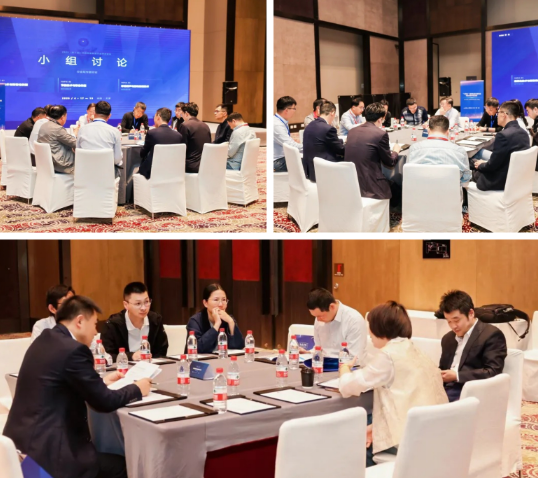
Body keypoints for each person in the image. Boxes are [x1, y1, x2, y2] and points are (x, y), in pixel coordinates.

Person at [3, 295, 151, 478]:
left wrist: (101, 382)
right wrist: (137, 388)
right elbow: (104, 402)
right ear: (80, 321)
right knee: (123, 466)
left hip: (20, 452)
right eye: (95, 324)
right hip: (50, 458)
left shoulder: (45, 339)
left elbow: (59, 382)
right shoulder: (74, 350)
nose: (96, 332)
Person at [339, 301, 447, 467]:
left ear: (380, 327)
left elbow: (348, 387)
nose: (369, 333)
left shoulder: (388, 356)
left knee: (352, 442)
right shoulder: (415, 350)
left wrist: (344, 368)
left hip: (407, 442)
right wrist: (376, 427)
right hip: (433, 435)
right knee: (366, 432)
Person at [438, 290, 507, 402]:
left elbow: (493, 371)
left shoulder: (491, 335)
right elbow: (443, 368)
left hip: (472, 392)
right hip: (445, 389)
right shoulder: (448, 338)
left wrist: (457, 376)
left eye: (456, 320)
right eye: (449, 321)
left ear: (471, 313)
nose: (453, 326)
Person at [344, 102, 401, 200]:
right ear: (380, 119)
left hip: (351, 182)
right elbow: (390, 162)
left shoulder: (352, 131)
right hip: (370, 186)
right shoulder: (380, 134)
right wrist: (396, 151)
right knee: (398, 189)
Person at [101, 282, 168, 361]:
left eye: (146, 302)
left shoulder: (155, 320)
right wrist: (131, 356)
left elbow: (162, 350)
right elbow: (106, 355)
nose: (143, 308)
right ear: (126, 305)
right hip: (123, 367)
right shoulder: (113, 325)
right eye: (138, 303)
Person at [472, 100, 531, 191]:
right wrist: (485, 163)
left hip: (500, 180)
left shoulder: (503, 135)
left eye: (498, 112)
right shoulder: (523, 133)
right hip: (517, 178)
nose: (497, 115)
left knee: (471, 165)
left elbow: (492, 166)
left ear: (504, 115)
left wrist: (481, 165)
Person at [304, 287, 367, 365]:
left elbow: (354, 359)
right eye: (315, 316)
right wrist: (308, 352)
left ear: (332, 307)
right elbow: (319, 348)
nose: (318, 320)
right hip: (322, 365)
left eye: (320, 316)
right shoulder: (320, 318)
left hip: (348, 368)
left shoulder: (354, 320)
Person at [407, 115, 471, 184]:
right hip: (449, 190)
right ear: (448, 132)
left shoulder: (414, 149)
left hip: (419, 189)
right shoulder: (460, 151)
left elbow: (408, 173)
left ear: (428, 130)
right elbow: (466, 177)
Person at [185, 283, 244, 354]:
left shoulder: (228, 319)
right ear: (205, 303)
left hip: (222, 359)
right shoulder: (195, 321)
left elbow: (239, 347)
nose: (220, 304)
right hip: (198, 360)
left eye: (224, 300)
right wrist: (217, 324)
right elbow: (198, 348)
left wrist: (231, 322)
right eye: (216, 300)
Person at [76, 101, 123, 178]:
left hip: (86, 174)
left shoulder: (82, 130)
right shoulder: (114, 132)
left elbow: (78, 152)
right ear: (109, 116)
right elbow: (117, 159)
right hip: (107, 175)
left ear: (94, 113)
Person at [302, 100, 345, 182]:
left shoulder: (310, 125)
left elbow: (324, 140)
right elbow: (340, 149)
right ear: (332, 112)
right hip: (322, 169)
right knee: (351, 159)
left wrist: (340, 141)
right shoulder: (328, 129)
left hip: (310, 170)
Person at [138, 107, 183, 179]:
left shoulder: (151, 133)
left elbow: (142, 154)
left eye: (154, 116)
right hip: (172, 171)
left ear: (158, 117)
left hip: (153, 172)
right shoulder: (178, 136)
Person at [37, 105, 77, 174]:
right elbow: (75, 143)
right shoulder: (58, 129)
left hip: (47, 162)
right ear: (62, 117)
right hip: (60, 165)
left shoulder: (44, 125)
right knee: (84, 157)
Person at [178, 102, 212, 173]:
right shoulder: (205, 125)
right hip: (205, 164)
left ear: (186, 113)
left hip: (190, 165)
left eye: (182, 114)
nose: (182, 116)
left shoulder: (185, 125)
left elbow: (181, 148)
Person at [274, 96, 303, 173]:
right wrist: (308, 148)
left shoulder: (280, 121)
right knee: (308, 161)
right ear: (286, 110)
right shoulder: (277, 124)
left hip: (283, 157)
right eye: (294, 108)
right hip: (277, 162)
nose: (294, 111)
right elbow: (290, 145)